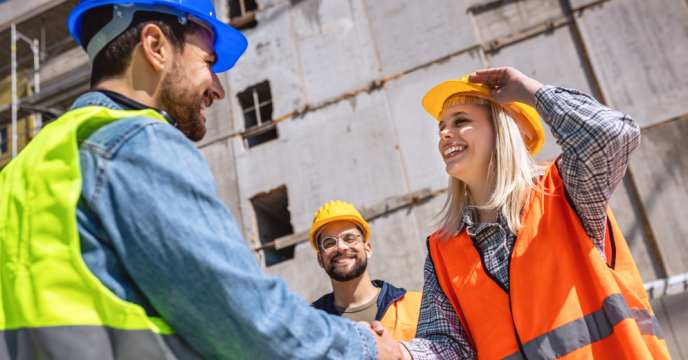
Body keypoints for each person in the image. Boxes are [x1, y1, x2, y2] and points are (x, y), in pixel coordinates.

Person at [0, 1, 403, 359]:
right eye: (208, 63)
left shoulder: (27, 165)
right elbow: (246, 318)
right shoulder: (139, 143)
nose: (219, 88)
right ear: (156, 46)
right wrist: (365, 347)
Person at [393, 68, 671, 359]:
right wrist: (398, 353)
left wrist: (528, 90)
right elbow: (449, 348)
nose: (444, 133)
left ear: (505, 129)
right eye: (441, 127)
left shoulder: (565, 191)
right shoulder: (443, 251)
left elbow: (611, 133)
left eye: (460, 121)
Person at [310, 201, 422, 341]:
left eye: (349, 239)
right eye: (329, 243)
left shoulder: (419, 306)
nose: (341, 247)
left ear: (367, 250)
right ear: (320, 259)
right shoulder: (309, 326)